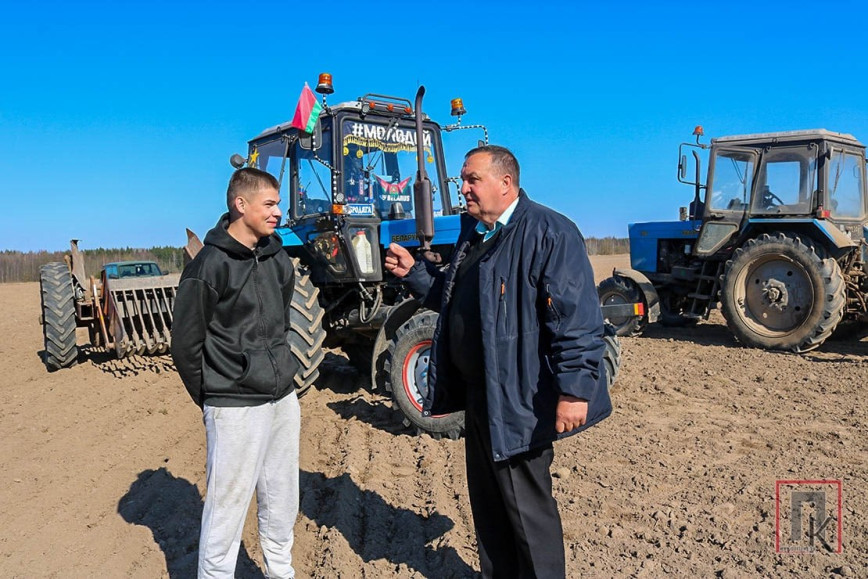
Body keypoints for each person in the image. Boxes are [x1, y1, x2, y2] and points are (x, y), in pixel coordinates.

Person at [385, 145, 612, 578]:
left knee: (528, 513)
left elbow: (577, 320)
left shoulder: (549, 232)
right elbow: (455, 302)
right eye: (462, 180)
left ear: (505, 183)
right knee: (489, 509)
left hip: (521, 399)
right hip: (481, 396)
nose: (463, 188)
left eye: (472, 179)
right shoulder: (477, 234)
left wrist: (574, 390)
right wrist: (416, 273)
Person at [171, 167, 301, 578]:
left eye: (278, 203)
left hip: (281, 398)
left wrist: (279, 372)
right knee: (227, 506)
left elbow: (280, 323)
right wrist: (214, 395)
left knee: (282, 498)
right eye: (270, 204)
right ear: (240, 206)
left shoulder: (278, 258)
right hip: (234, 404)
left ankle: (281, 571)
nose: (278, 211)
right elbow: (185, 344)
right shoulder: (209, 266)